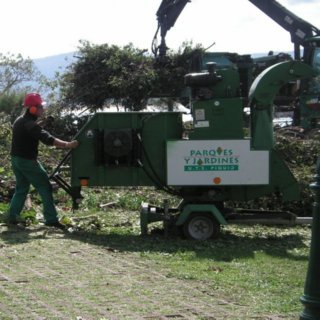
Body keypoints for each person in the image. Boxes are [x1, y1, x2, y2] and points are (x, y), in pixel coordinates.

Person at [6, 93, 79, 229]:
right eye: (40, 107)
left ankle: (12, 216)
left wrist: (40, 123)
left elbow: (30, 130)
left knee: (21, 188)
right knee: (45, 187)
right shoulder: (30, 124)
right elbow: (47, 139)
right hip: (28, 162)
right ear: (32, 109)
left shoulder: (20, 120)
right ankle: (51, 219)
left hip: (16, 160)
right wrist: (68, 144)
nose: (43, 109)